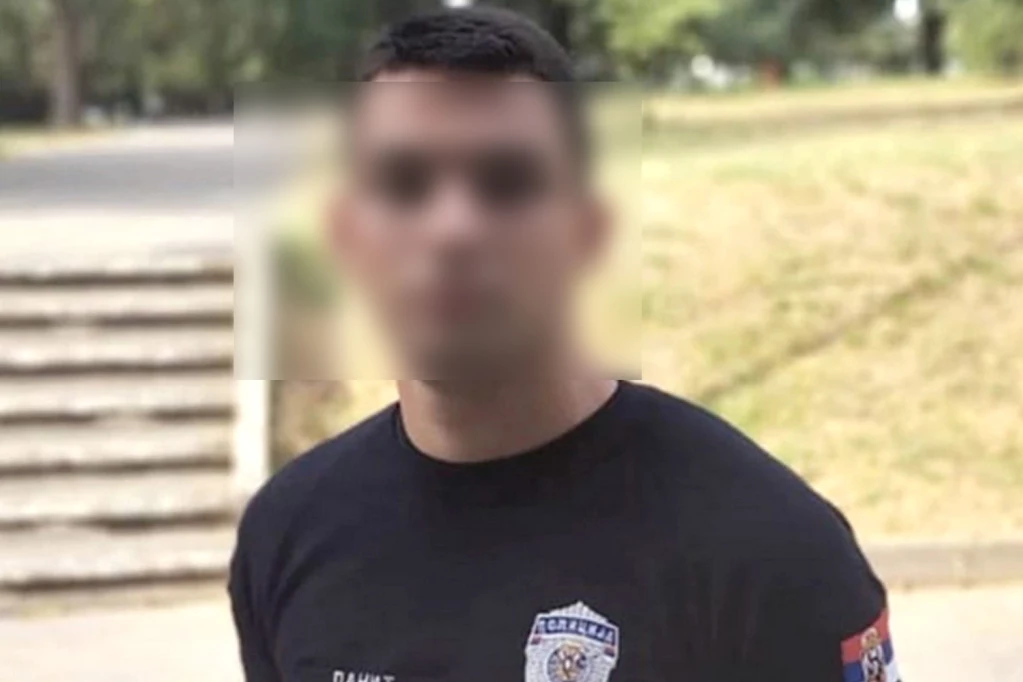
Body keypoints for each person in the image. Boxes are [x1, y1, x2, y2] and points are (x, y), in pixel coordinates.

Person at [229, 8, 900, 682]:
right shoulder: (285, 534)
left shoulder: (767, 546)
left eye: (506, 183)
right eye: (404, 184)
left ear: (588, 233)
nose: (452, 230)